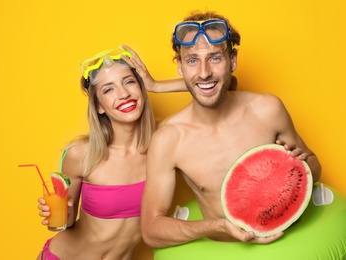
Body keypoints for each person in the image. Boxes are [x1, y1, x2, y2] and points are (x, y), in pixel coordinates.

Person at [141, 10, 322, 248]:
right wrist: (216, 226)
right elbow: (151, 230)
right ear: (180, 66)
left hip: (292, 239)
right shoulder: (169, 139)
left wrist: (304, 165)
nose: (204, 72)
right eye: (192, 60)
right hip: (226, 247)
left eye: (215, 58)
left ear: (232, 61)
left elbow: (314, 166)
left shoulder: (267, 109)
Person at [36, 45, 187, 259]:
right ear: (99, 107)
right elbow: (66, 222)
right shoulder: (80, 154)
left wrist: (157, 85)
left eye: (129, 82)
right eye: (108, 89)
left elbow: (221, 89)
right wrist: (57, 214)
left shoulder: (164, 143)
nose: (124, 94)